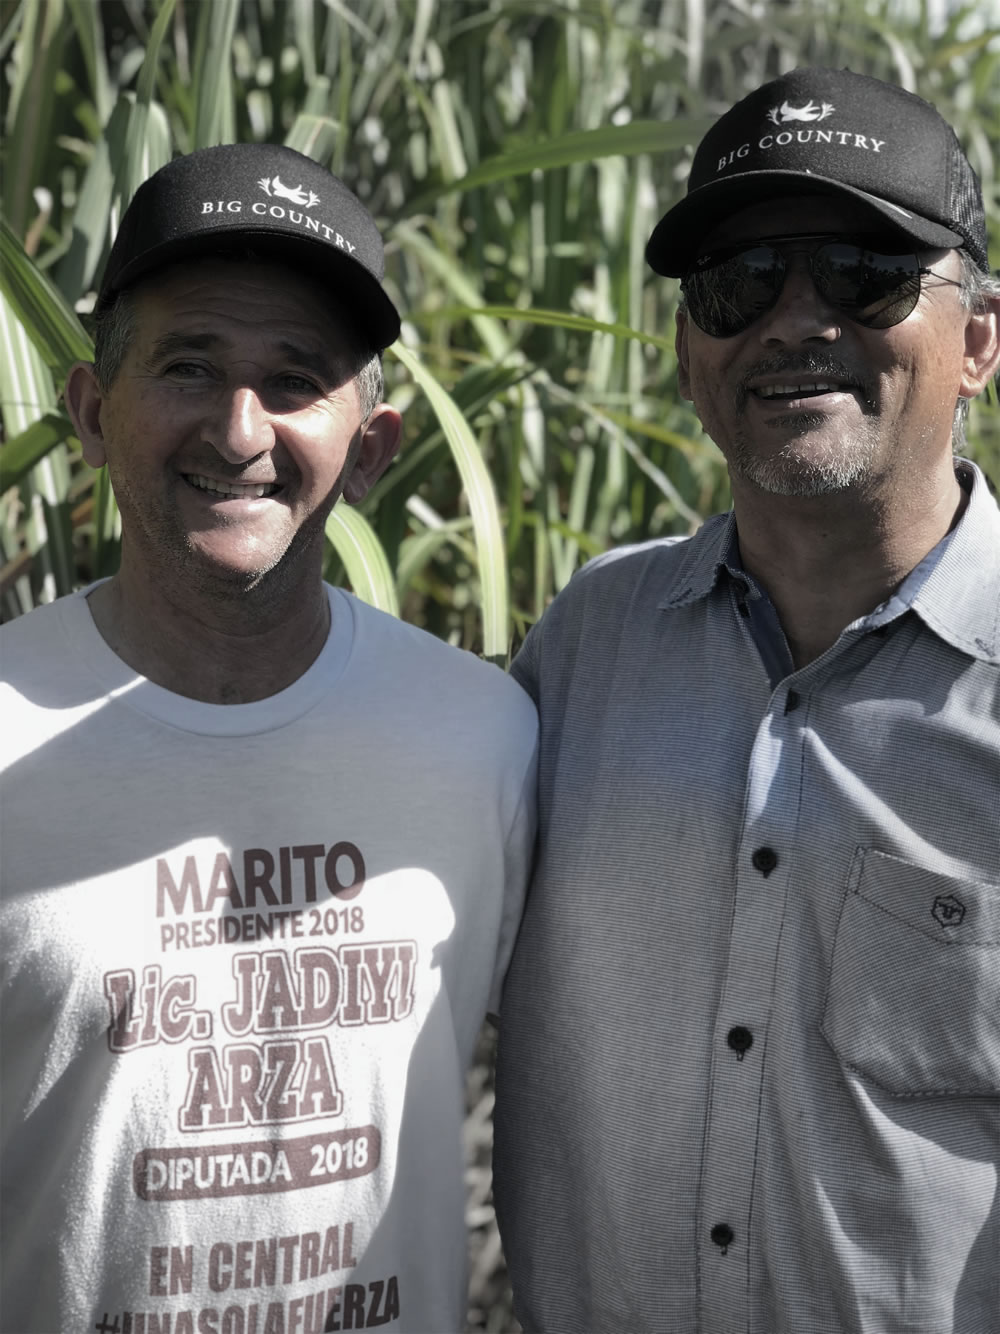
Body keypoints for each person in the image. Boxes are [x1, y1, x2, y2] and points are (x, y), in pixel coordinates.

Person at [493, 67, 1000, 1334]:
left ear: (979, 342)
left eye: (860, 272)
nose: (793, 319)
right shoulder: (580, 652)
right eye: (738, 281)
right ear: (686, 347)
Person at [0, 142, 537, 1334]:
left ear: (373, 448)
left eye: (295, 380)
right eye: (189, 364)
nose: (240, 429)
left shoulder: (481, 734)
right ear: (92, 410)